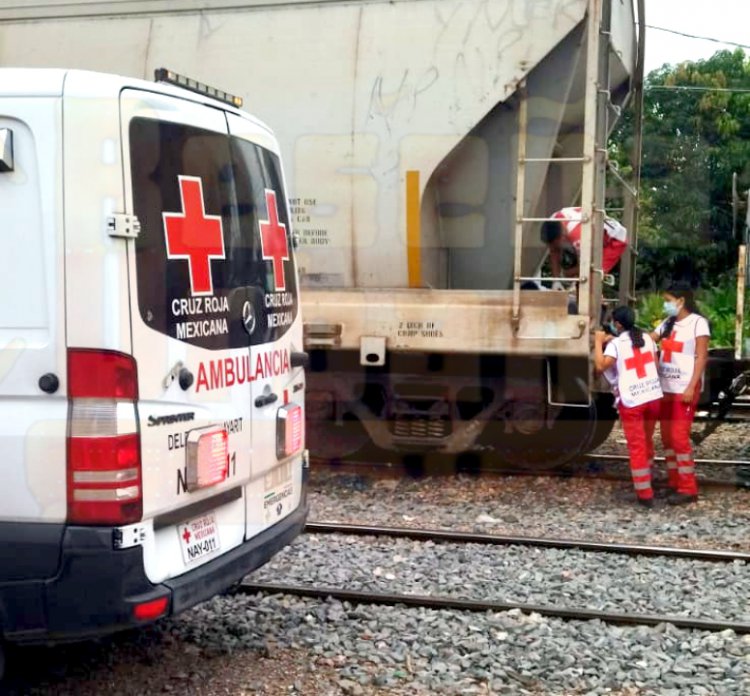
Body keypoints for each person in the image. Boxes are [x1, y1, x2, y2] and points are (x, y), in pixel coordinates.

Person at [594, 306, 663, 508]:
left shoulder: (616, 345)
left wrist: (599, 342)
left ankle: (645, 495)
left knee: (637, 447)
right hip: (652, 397)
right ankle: (648, 480)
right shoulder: (648, 339)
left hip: (632, 401)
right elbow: (656, 366)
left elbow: (600, 367)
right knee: (647, 442)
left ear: (617, 324)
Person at [650, 283, 710, 505]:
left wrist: (691, 387)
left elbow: (701, 358)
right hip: (665, 388)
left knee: (678, 437)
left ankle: (688, 487)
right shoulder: (668, 323)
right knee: (666, 438)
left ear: (681, 301)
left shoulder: (698, 324)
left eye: (668, 300)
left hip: (684, 389)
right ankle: (674, 481)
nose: (666, 305)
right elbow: (649, 340)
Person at [541, 206, 628, 280]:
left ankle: (596, 299)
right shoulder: (553, 220)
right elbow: (554, 251)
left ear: (562, 237)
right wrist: (556, 281)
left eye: (557, 244)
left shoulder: (578, 235)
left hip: (615, 239)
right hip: (593, 231)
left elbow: (587, 266)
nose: (556, 248)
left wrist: (568, 274)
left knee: (593, 277)